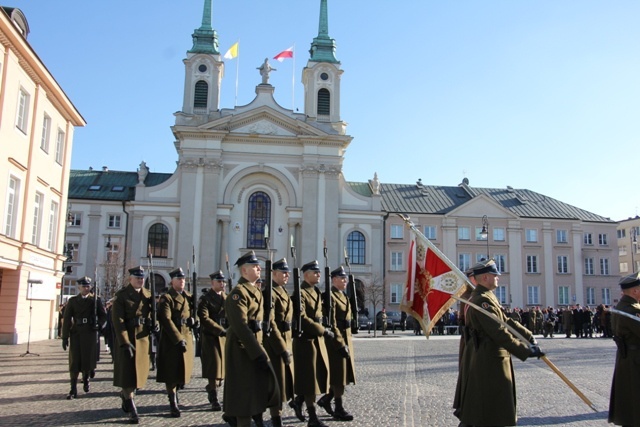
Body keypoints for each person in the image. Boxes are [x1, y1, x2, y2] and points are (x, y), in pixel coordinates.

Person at [455, 259, 544, 427]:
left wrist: (528, 336)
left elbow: (506, 321)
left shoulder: (486, 297)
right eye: (495, 275)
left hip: (490, 356)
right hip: (488, 358)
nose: (498, 278)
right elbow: (498, 331)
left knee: (489, 405)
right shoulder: (482, 300)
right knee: (489, 406)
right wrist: (525, 350)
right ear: (486, 277)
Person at [223, 251, 279, 427]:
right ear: (244, 271)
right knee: (243, 396)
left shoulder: (255, 291)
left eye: (258, 265)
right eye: (254, 266)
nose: (258, 268)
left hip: (254, 346)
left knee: (256, 391)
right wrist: (258, 353)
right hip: (242, 349)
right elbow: (241, 327)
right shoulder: (238, 293)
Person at [112, 266, 155, 424]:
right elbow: (118, 321)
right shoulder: (122, 296)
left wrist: (153, 324)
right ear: (130, 279)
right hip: (128, 337)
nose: (140, 280)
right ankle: (131, 406)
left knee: (138, 374)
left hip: (142, 338)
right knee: (127, 374)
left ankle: (126, 396)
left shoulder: (148, 295)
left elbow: (151, 313)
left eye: (142, 277)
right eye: (137, 277)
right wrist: (124, 341)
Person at [291, 260, 332, 427]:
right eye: (315, 272)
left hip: (316, 341)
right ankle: (312, 416)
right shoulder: (300, 293)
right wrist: (322, 330)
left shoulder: (316, 292)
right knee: (309, 380)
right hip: (305, 341)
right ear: (306, 274)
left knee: (316, 377)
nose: (318, 274)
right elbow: (302, 318)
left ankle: (299, 401)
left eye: (319, 272)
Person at [317, 266, 356, 422]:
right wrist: (340, 344)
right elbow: (332, 323)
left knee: (343, 374)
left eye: (345, 278)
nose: (345, 280)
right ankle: (338, 408)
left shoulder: (343, 296)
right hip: (335, 341)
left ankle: (326, 400)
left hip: (345, 337)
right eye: (342, 278)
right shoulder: (331, 297)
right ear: (333, 279)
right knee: (338, 376)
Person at [156, 267, 196, 418]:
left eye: (183, 279)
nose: (182, 281)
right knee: (172, 372)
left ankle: (176, 394)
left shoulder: (188, 296)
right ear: (172, 281)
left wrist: (194, 321)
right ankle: (172, 402)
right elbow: (165, 319)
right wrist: (178, 338)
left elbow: (194, 312)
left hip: (186, 334)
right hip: (172, 339)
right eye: (179, 279)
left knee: (182, 371)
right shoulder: (167, 298)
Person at [61, 276, 107, 399]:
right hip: (76, 332)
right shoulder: (73, 301)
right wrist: (65, 336)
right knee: (74, 361)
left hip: (90, 332)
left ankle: (86, 378)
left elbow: (104, 316)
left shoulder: (95, 300)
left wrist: (100, 325)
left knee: (87, 360)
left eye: (88, 286)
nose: (86, 288)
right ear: (79, 287)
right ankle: (73, 389)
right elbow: (67, 320)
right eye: (84, 286)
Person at [262, 258, 295, 427]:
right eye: (283, 272)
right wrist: (282, 348)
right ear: (273, 274)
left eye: (287, 272)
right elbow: (271, 322)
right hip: (275, 345)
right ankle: (276, 419)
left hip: (286, 341)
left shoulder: (283, 292)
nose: (287, 275)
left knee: (282, 384)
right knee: (275, 385)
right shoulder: (270, 293)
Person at [608, 272, 640, 426]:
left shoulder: (622, 307)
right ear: (635, 291)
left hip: (626, 359)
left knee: (628, 402)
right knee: (634, 401)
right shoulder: (632, 311)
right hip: (635, 361)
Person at [197, 270, 227, 412]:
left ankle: (212, 387)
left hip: (224, 337)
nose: (222, 284)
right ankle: (214, 398)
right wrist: (219, 329)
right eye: (219, 281)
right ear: (212, 283)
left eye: (223, 282)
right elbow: (204, 318)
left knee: (221, 371)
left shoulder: (227, 298)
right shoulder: (206, 299)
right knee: (213, 367)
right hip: (210, 336)